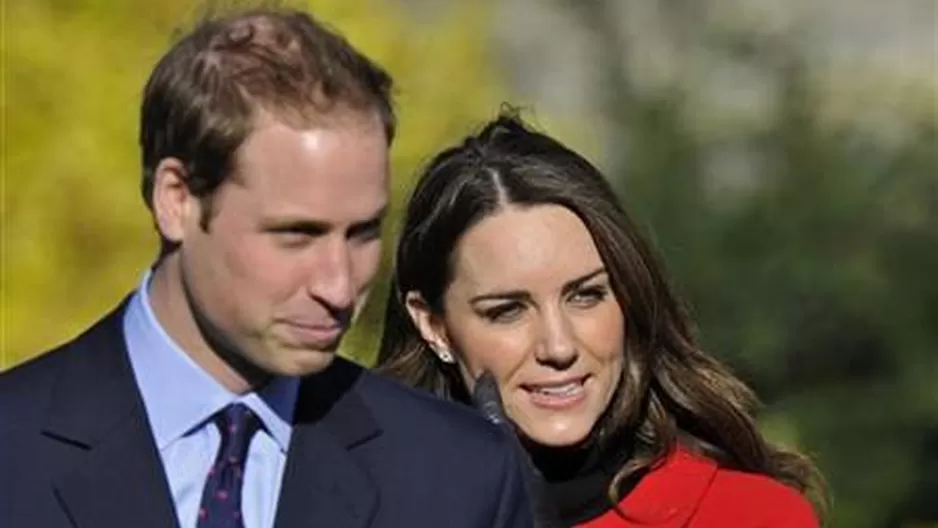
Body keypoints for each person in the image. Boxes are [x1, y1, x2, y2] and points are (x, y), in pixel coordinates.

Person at [0, 8, 535, 528]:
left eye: (363, 233)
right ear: (177, 200)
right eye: (296, 235)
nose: (338, 286)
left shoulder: (459, 478)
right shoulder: (13, 454)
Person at [377, 109, 828, 527]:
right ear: (432, 325)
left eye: (586, 296)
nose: (559, 347)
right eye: (507, 311)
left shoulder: (751, 516)